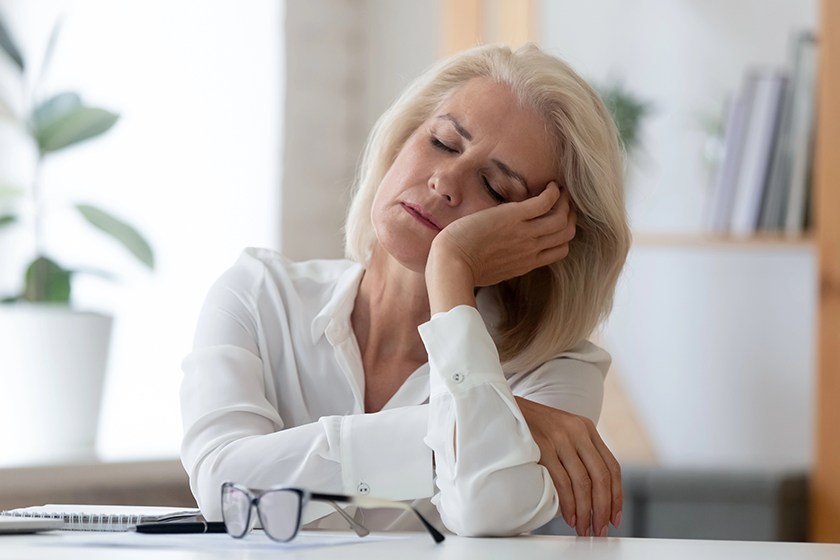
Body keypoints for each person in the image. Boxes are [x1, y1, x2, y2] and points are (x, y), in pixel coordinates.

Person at [180, 43, 631, 538]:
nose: (445, 182)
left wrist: (452, 265)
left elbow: (485, 509)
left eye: (498, 189)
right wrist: (493, 422)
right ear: (402, 138)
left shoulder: (556, 372)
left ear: (546, 238)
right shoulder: (258, 296)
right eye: (442, 142)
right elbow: (224, 488)